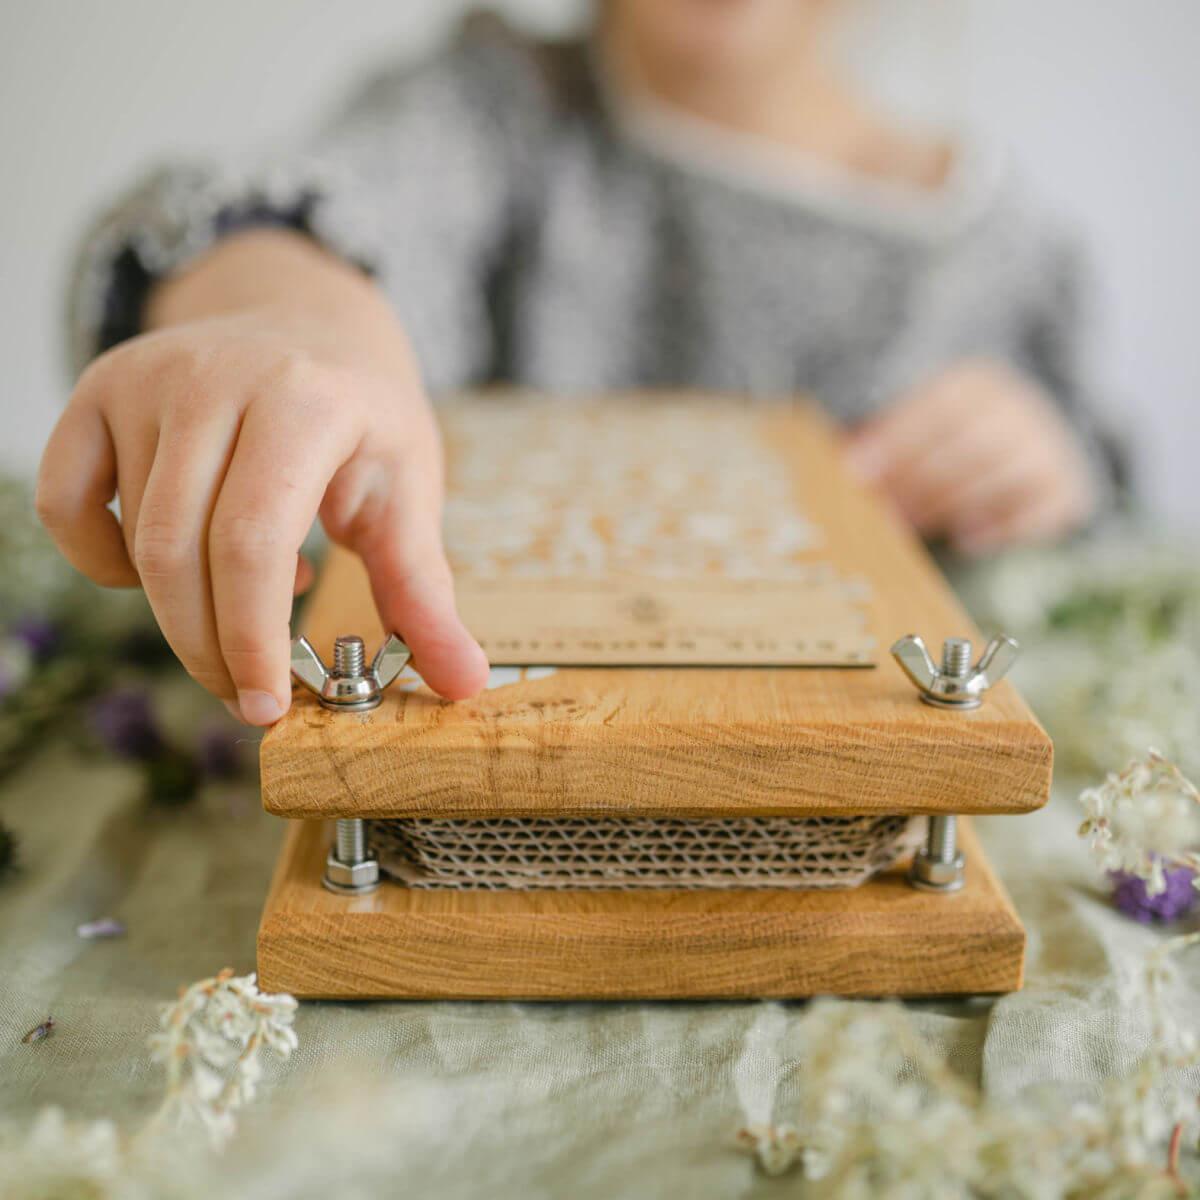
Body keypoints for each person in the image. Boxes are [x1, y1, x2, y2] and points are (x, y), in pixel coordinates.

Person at [35, 0, 1117, 726]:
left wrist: (1050, 463)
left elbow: (1113, 490)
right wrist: (286, 303)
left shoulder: (1002, 245)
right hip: (477, 756)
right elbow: (296, 197)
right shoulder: (497, 107)